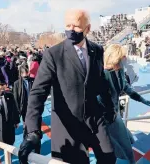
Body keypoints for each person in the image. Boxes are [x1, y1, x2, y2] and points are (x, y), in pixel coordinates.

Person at [18, 9, 116, 164]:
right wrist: (32, 131)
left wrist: (110, 108)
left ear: (88, 28)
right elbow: (38, 93)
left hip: (94, 119)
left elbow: (101, 83)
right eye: (67, 25)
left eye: (76, 26)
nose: (70, 29)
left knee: (109, 158)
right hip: (67, 125)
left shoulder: (97, 50)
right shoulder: (53, 54)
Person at [102, 44, 150, 163]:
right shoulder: (101, 75)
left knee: (127, 147)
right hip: (105, 121)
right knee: (117, 152)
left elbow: (126, 88)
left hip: (116, 117)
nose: (126, 59)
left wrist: (142, 100)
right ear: (116, 58)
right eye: (123, 57)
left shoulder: (119, 71)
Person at [13, 65, 35, 139]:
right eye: (23, 73)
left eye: (27, 72)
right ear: (20, 74)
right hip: (24, 106)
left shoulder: (33, 80)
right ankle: (26, 137)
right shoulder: (16, 84)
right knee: (26, 123)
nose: (25, 74)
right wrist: (17, 111)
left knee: (33, 122)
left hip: (33, 105)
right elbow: (15, 98)